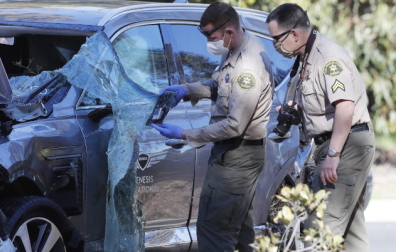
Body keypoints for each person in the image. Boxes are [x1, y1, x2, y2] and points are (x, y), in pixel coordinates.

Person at [151, 2, 274, 251]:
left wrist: (185, 134)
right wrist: (186, 90)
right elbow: (218, 83)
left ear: (229, 31)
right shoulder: (234, 49)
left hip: (237, 155)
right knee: (239, 234)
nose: (209, 42)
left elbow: (234, 126)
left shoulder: (248, 65)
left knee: (214, 233)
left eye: (212, 36)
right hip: (235, 155)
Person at [266, 4, 375, 251]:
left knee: (322, 227)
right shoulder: (306, 57)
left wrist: (334, 155)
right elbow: (324, 106)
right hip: (332, 144)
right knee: (350, 230)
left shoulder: (328, 58)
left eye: (276, 40)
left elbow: (345, 108)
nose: (276, 46)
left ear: (294, 34)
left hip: (346, 146)